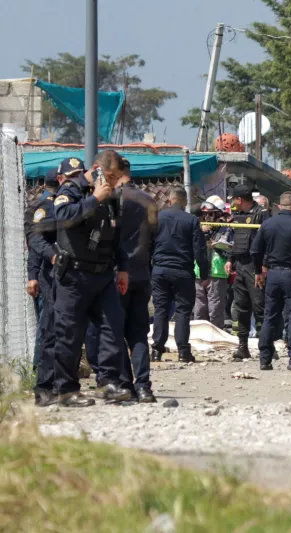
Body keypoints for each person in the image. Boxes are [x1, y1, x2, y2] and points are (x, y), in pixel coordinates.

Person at [50, 150, 132, 407]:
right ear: (96, 169)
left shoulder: (111, 196)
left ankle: (107, 382)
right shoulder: (72, 190)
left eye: (117, 178)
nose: (114, 182)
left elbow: (114, 234)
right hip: (74, 275)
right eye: (110, 176)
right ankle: (66, 390)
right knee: (70, 334)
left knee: (113, 327)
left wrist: (123, 267)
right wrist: (94, 198)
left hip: (103, 274)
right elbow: (62, 218)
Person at [252, 192, 291, 371]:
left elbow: (255, 251)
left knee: (270, 316)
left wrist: (258, 271)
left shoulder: (267, 224)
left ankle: (265, 358)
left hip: (272, 275)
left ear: (279, 206)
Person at [116, 157, 158, 402]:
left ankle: (125, 384)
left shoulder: (112, 200)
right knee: (139, 333)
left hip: (118, 274)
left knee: (116, 331)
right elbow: (154, 235)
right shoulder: (148, 200)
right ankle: (143, 386)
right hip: (142, 273)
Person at [150, 188, 209, 363]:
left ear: (169, 201)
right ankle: (183, 351)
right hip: (182, 271)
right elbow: (200, 250)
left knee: (161, 310)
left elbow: (148, 244)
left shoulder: (158, 218)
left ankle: (156, 351)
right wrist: (204, 273)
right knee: (183, 311)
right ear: (184, 202)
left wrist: (149, 269)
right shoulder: (191, 220)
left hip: (160, 270)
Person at [27, 168, 61, 371]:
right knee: (46, 323)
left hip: (43, 271)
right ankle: (40, 368)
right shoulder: (45, 206)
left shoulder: (38, 205)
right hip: (45, 271)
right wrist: (34, 274)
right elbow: (35, 244)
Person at [226, 185, 266, 360]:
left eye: (234, 199)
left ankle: (266, 346)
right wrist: (230, 259)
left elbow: (266, 243)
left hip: (254, 265)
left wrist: (263, 266)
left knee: (260, 306)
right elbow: (237, 241)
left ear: (239, 199)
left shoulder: (261, 214)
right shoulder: (239, 216)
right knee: (241, 306)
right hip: (240, 265)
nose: (233, 203)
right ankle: (243, 346)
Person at [194, 196, 231, 329]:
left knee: (215, 310)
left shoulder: (227, 227)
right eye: (205, 214)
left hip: (217, 273)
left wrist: (215, 242)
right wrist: (201, 232)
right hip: (198, 272)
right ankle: (199, 338)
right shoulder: (198, 228)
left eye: (211, 214)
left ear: (219, 213)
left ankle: (216, 337)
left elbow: (231, 248)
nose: (207, 217)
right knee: (199, 310)